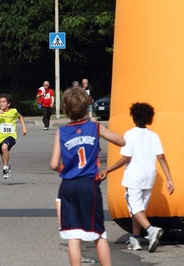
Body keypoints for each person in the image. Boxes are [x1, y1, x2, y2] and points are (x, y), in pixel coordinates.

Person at [50, 87, 125, 266]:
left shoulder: (61, 132)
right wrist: (96, 125)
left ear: (66, 109)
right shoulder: (95, 127)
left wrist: (65, 169)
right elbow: (121, 141)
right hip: (88, 184)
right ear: (87, 107)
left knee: (73, 234)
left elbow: (53, 164)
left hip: (68, 185)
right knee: (98, 233)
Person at [100, 102, 174, 253]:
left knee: (135, 208)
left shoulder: (129, 134)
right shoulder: (154, 136)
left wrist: (108, 170)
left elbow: (126, 158)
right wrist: (169, 179)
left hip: (135, 177)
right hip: (149, 177)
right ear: (149, 118)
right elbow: (161, 157)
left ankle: (151, 230)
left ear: (133, 116)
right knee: (139, 210)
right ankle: (135, 239)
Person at [0, 93, 27, 179]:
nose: (1, 104)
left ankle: (5, 168)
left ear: (8, 104)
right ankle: (7, 165)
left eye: (3, 102)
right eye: (0, 102)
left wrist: (24, 127)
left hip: (11, 136)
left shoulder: (13, 111)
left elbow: (20, 116)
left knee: (4, 147)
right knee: (3, 155)